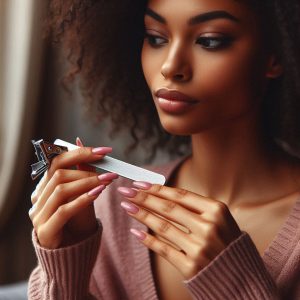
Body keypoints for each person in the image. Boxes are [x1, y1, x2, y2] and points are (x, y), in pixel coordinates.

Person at [28, 0, 300, 299]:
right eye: (156, 38)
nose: (171, 67)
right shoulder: (108, 212)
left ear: (276, 55)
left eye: (209, 41)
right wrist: (64, 271)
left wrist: (238, 286)